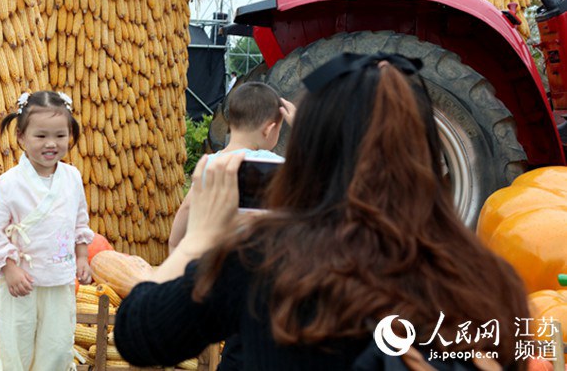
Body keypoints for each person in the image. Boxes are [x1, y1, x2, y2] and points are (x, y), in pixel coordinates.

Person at [114, 53, 529, 370]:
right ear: (428, 153)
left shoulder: (266, 263)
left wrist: (199, 239)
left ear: (309, 153)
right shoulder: (490, 281)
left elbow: (140, 335)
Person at [0, 90, 94, 371]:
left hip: (59, 282)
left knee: (55, 348)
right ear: (21, 137)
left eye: (59, 135)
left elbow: (79, 222)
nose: (51, 144)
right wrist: (9, 268)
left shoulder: (72, 178)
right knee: (15, 346)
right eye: (41, 136)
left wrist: (81, 257)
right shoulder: (8, 184)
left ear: (71, 136)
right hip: (21, 283)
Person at [169, 81, 294, 254]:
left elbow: (187, 209)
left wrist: (174, 246)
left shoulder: (209, 164)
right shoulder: (272, 164)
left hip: (213, 261)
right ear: (269, 129)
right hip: (257, 264)